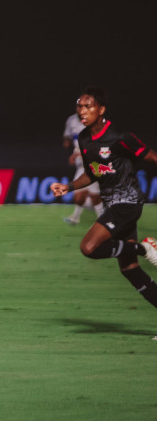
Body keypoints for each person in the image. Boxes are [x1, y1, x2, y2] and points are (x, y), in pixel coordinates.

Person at [51, 87, 157, 340]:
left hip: (128, 202)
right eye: (79, 107)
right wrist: (69, 186)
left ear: (101, 110)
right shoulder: (84, 139)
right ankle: (142, 251)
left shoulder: (121, 137)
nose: (82, 111)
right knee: (130, 269)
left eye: (88, 106)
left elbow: (152, 157)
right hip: (113, 204)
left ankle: (146, 249)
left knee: (89, 247)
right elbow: (92, 173)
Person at [62, 112, 103, 224]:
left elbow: (98, 145)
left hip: (94, 164)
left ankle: (102, 222)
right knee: (78, 197)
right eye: (79, 105)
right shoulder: (72, 120)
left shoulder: (96, 123)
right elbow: (68, 138)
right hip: (81, 165)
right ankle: (76, 217)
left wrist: (78, 154)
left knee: (95, 197)